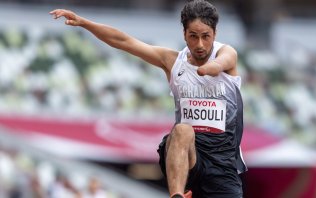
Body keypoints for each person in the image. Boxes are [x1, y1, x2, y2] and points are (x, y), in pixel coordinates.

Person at [50, 0, 247, 197]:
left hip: (222, 164)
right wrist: (84, 22)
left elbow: (222, 62)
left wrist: (207, 69)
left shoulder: (227, 53)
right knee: (182, 130)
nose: (200, 44)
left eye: (206, 37)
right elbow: (124, 42)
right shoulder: (172, 61)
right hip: (186, 156)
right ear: (184, 34)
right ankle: (176, 195)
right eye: (193, 37)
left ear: (215, 34)